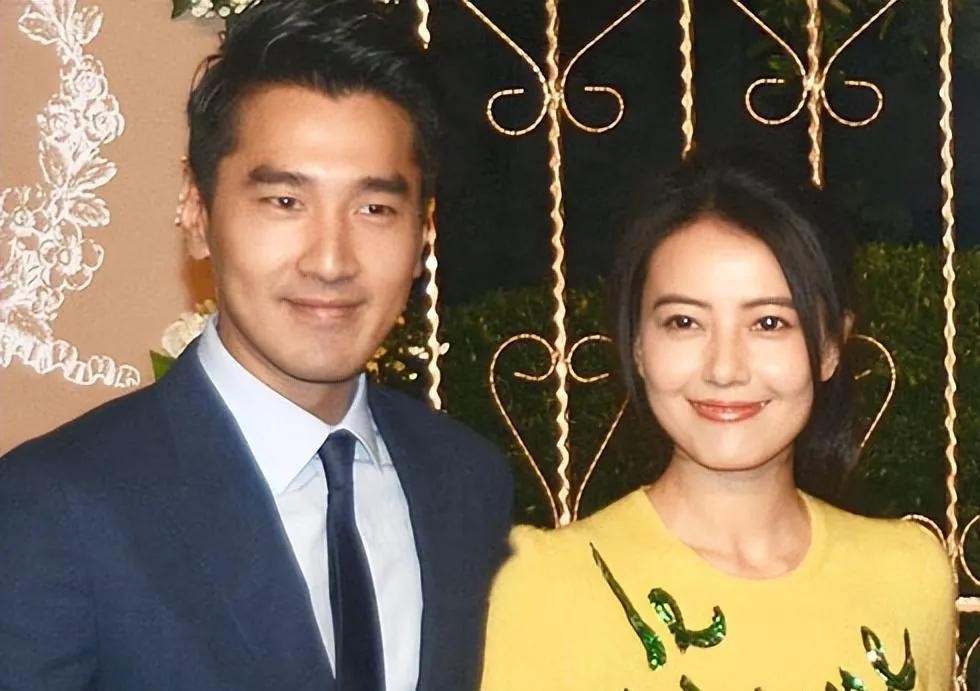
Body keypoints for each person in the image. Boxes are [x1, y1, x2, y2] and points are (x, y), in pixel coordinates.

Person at [0, 1, 512, 689]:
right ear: (197, 211)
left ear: (423, 233)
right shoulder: (56, 509)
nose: (330, 260)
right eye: (284, 202)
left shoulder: (466, 481)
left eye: (375, 208)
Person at [480, 157, 956, 690]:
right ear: (638, 347)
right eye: (684, 322)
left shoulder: (909, 575)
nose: (725, 369)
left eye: (769, 323)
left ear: (829, 347)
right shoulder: (545, 585)